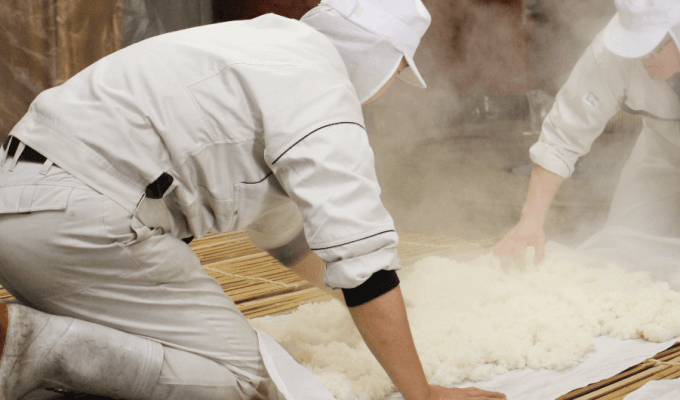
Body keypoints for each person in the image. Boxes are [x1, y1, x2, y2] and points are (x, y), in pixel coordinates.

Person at [0, 0, 507, 399]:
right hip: (83, 224)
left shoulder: (266, 45)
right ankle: (39, 346)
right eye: (396, 73)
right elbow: (361, 258)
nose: (390, 88)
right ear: (383, 60)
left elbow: (284, 235)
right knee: (258, 383)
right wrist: (422, 393)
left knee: (152, 355)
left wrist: (380, 312)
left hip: (22, 210)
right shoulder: (322, 89)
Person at [495, 0, 680, 314]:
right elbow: (563, 133)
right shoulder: (611, 52)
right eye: (636, 45)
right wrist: (529, 224)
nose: (643, 57)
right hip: (663, 152)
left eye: (654, 46)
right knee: (622, 259)